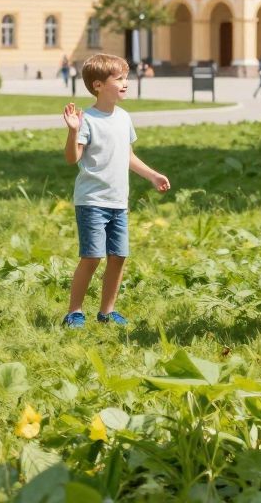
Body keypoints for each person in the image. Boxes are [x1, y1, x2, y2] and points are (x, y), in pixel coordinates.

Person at [60, 53, 170, 328]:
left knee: (118, 256)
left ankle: (107, 311)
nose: (126, 83)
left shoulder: (123, 117)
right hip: (92, 200)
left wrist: (152, 175)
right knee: (92, 257)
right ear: (98, 85)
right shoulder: (87, 119)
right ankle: (74, 311)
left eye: (126, 77)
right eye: (119, 78)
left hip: (118, 202)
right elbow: (72, 158)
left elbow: (128, 155)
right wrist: (73, 131)